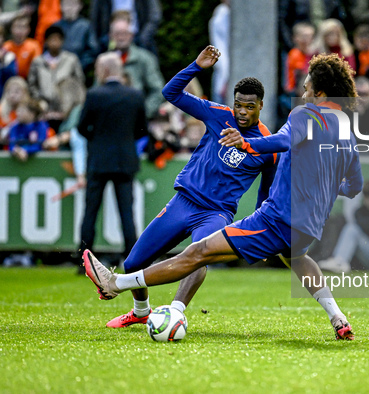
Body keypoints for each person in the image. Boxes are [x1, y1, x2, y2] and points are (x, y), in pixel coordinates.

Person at [83, 52, 363, 340]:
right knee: (297, 258)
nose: (302, 94)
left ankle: (117, 284)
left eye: (305, 89)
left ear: (319, 93)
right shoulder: (345, 132)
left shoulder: (305, 114)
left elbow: (282, 141)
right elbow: (355, 186)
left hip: (273, 219)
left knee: (198, 252)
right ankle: (338, 318)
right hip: (304, 227)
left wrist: (246, 143)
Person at [97, 45, 278, 329]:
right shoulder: (218, 114)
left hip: (216, 213)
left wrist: (262, 229)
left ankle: (176, 311)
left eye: (249, 106)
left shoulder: (269, 145)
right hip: (183, 202)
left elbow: (266, 193)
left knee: (198, 255)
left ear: (261, 106)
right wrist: (195, 66)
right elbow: (170, 93)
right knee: (133, 264)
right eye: (238, 104)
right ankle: (141, 311)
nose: (242, 112)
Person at [77, 52, 147, 276]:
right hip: (125, 160)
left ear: (104, 70)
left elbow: (81, 127)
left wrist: (97, 140)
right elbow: (141, 129)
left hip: (98, 161)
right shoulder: (135, 96)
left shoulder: (94, 94)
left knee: (90, 212)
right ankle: (134, 260)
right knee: (127, 213)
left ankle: (84, 260)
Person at [27, 25, 85, 132]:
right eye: (51, 39)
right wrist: (39, 103)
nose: (55, 42)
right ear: (46, 41)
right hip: (43, 109)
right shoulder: (37, 62)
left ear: (62, 41)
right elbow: (32, 85)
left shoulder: (71, 60)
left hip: (67, 108)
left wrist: (69, 105)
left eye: (58, 39)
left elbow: (79, 83)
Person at [108, 16, 164, 119]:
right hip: (111, 118)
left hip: (137, 118)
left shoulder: (145, 58)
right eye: (117, 34)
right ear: (111, 36)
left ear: (131, 35)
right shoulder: (105, 60)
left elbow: (158, 90)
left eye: (124, 33)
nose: (121, 38)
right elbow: (98, 90)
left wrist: (143, 113)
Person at [91, 0, 162, 54]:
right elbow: (95, 19)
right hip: (110, 38)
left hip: (139, 38)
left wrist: (144, 37)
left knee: (148, 58)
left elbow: (154, 16)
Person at [52, 0, 99, 75]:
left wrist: (78, 66)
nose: (69, 8)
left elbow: (92, 50)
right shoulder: (55, 27)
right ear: (60, 6)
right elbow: (48, 49)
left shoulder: (86, 26)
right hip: (56, 70)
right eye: (66, 4)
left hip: (79, 71)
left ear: (80, 6)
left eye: (73, 4)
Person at [8, 97, 48, 161]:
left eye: (21, 111)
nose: (17, 113)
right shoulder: (14, 127)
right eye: (17, 110)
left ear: (32, 114)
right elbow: (12, 144)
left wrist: (25, 150)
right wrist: (17, 151)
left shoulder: (41, 126)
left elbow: (39, 145)